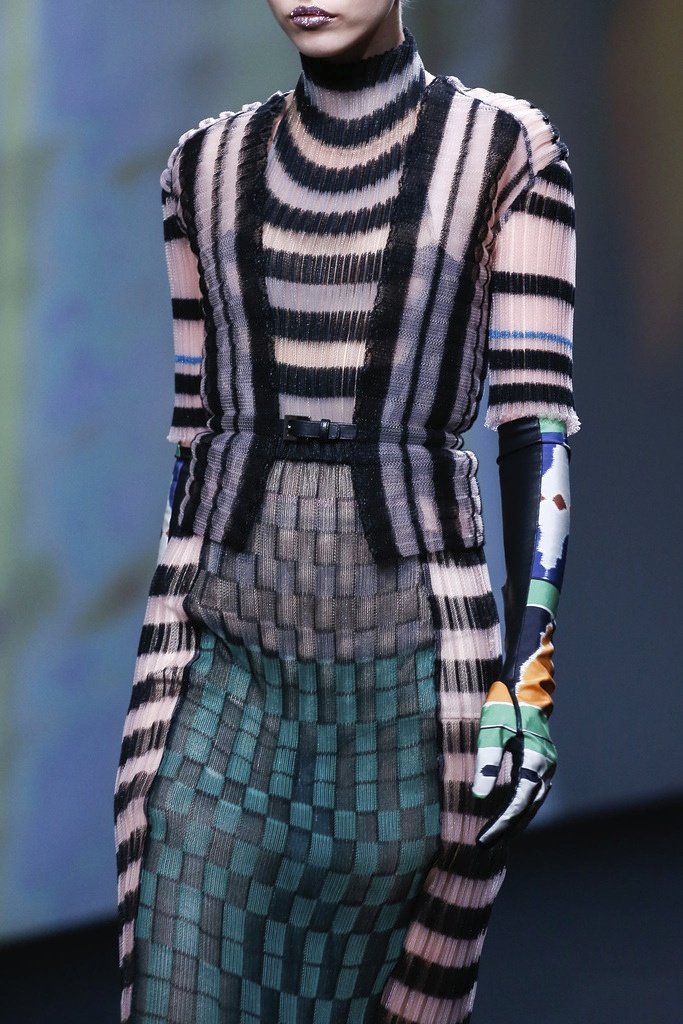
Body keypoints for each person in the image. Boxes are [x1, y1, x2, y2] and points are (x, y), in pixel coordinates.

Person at [115, 2, 578, 1022]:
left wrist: (528, 683)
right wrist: (169, 630)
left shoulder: (504, 151)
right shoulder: (200, 166)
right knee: (173, 960)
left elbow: (535, 424)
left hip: (415, 675)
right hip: (216, 659)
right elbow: (195, 433)